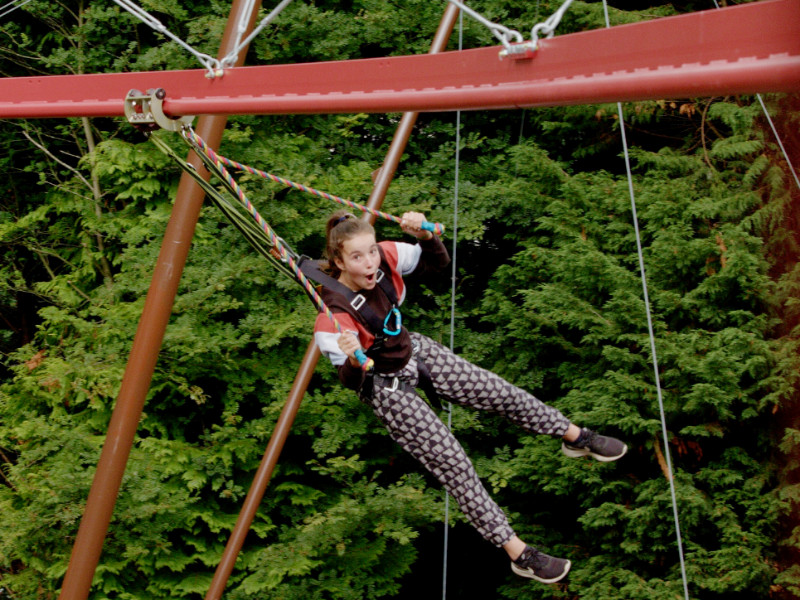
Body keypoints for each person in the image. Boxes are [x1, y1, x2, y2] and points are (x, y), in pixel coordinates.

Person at [312, 209, 627, 584]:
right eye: (357, 257)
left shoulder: (387, 256)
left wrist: (427, 236)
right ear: (339, 262)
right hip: (385, 388)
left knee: (498, 392)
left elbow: (438, 264)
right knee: (455, 464)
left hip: (415, 352)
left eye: (371, 252)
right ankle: (519, 553)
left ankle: (576, 437)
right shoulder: (332, 318)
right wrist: (351, 356)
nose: (369, 263)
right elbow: (350, 381)